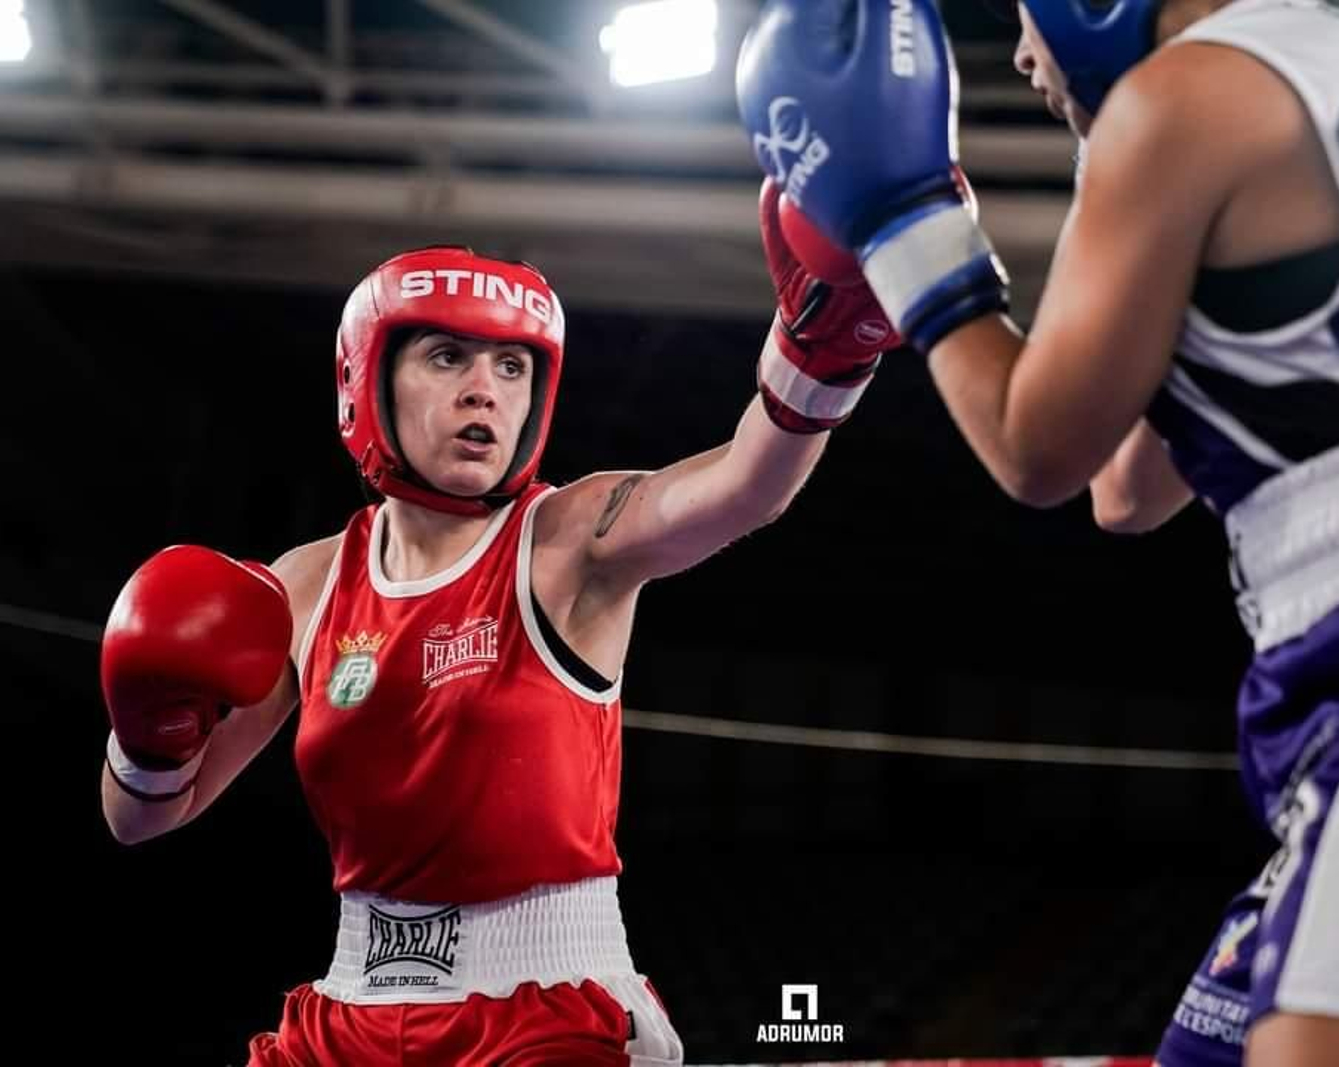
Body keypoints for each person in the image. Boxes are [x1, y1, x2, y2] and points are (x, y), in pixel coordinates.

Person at [736, 1, 1339, 1065]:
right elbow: (1124, 487)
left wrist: (898, 222)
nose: (1018, 54)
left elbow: (1033, 448)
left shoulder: (1184, 99)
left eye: (1022, 16)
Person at [98, 181, 899, 1065]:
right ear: (368, 379)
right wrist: (150, 730)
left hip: (545, 1006)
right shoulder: (306, 584)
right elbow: (140, 821)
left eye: (512, 367)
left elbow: (747, 485)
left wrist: (821, 356)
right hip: (349, 1008)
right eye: (448, 358)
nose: (486, 390)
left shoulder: (568, 541)